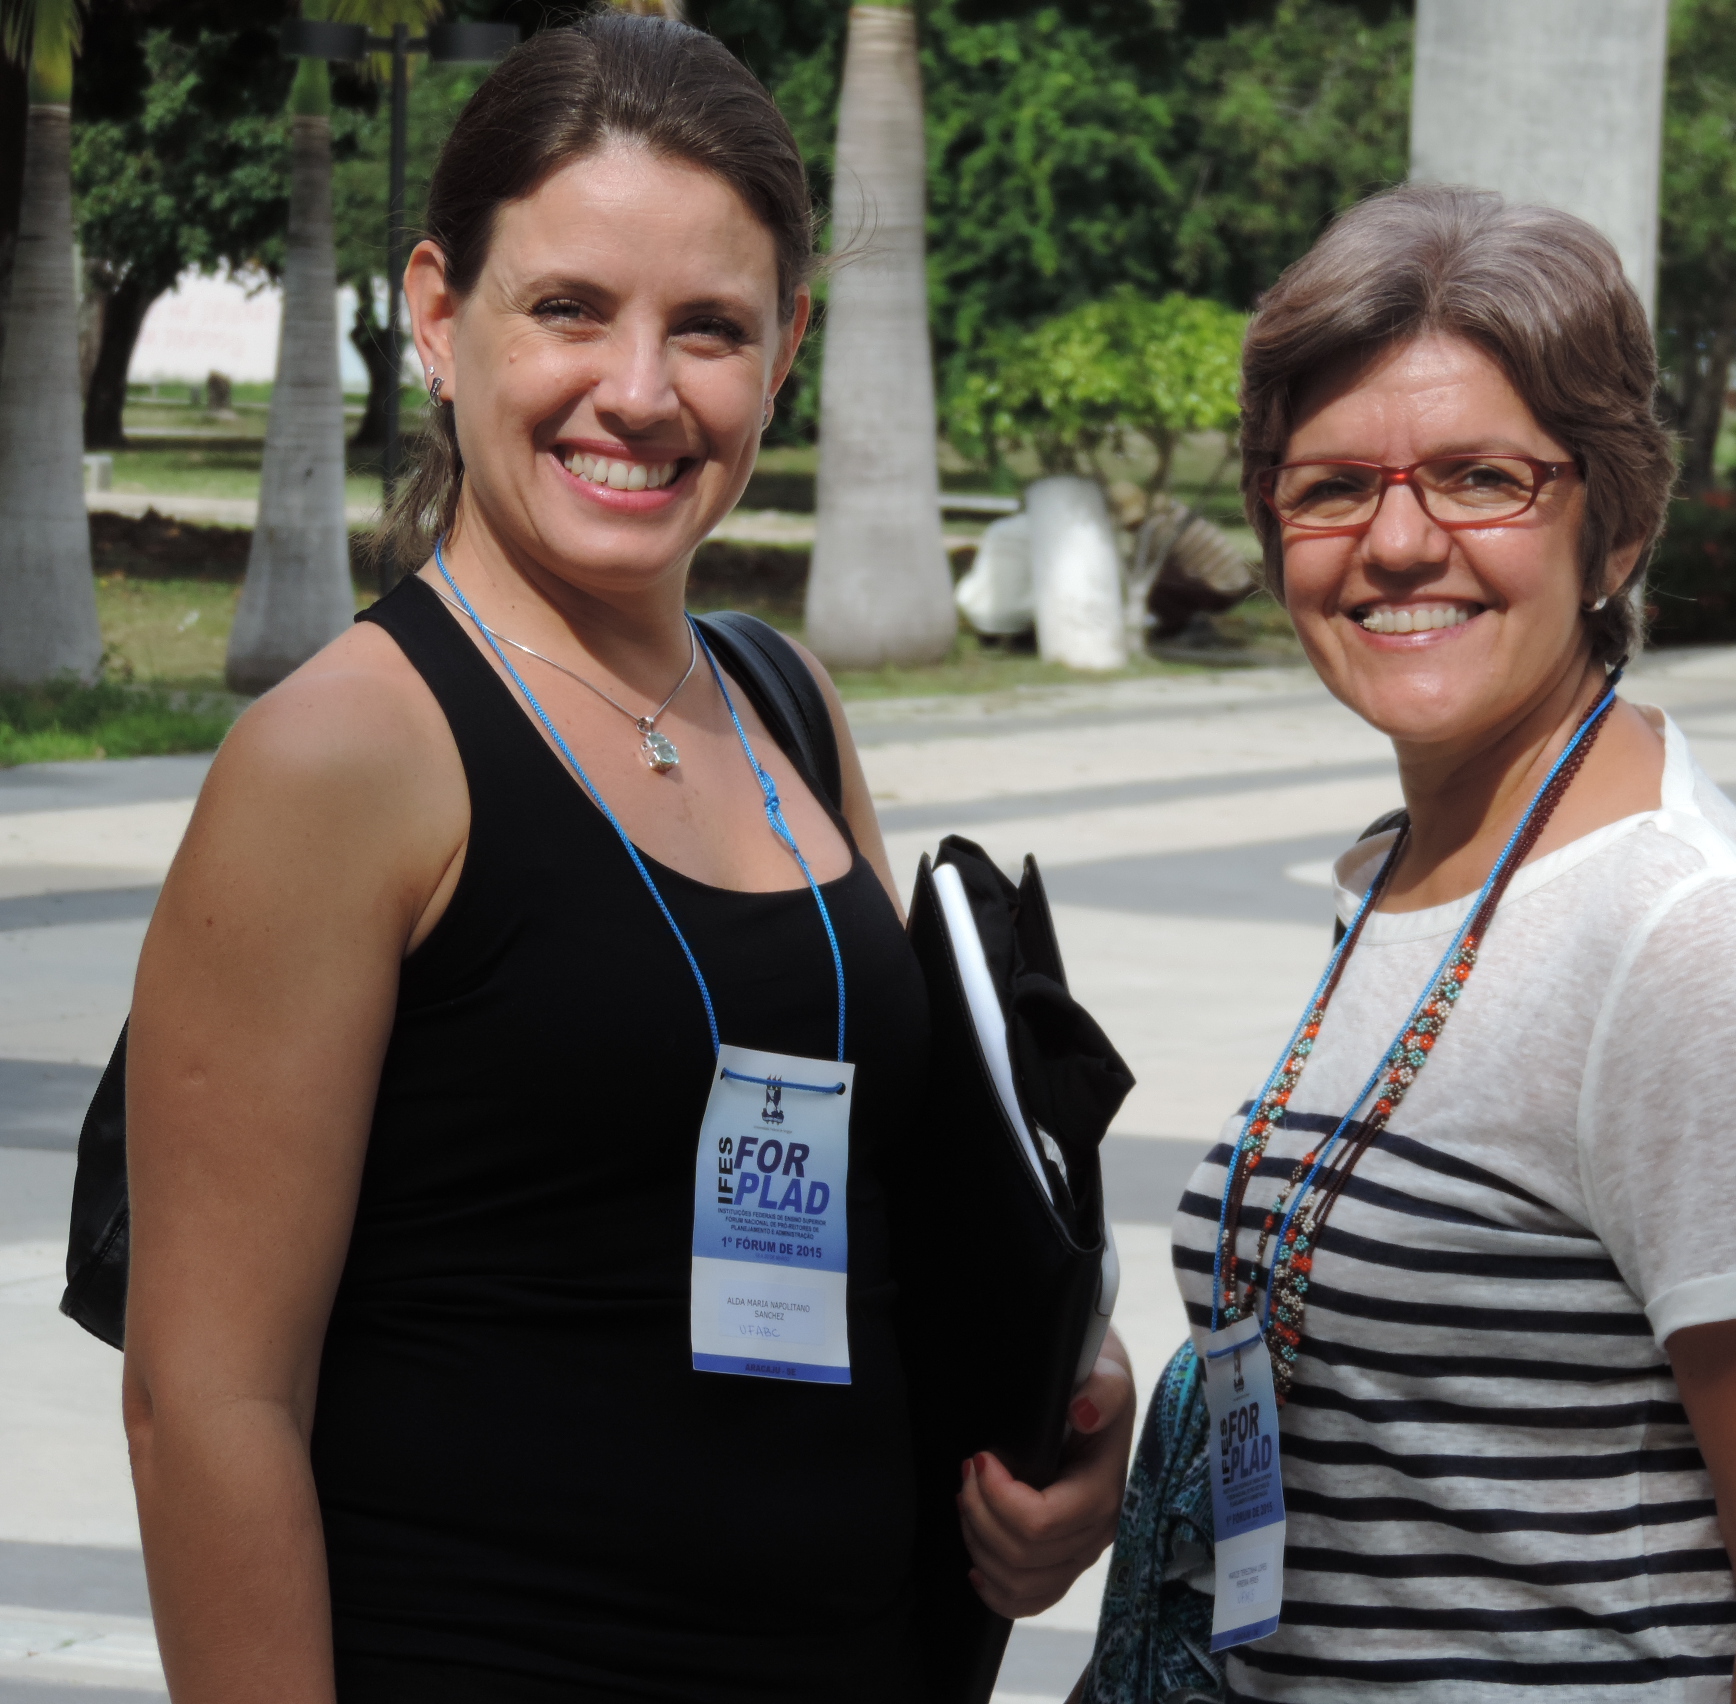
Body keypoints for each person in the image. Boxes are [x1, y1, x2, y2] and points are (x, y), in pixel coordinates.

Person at [120, 17, 1130, 1701]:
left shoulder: (783, 700)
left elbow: (917, 1197)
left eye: (710, 327)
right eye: (570, 309)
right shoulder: (347, 757)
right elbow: (206, 1401)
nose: (641, 393)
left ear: (786, 348)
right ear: (439, 314)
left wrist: (1072, 1404)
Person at [1129, 185, 1736, 1701]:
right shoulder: (1419, 868)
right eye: (1332, 486)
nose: (1398, 543)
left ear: (1616, 525)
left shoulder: (1693, 945)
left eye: (1482, 479)